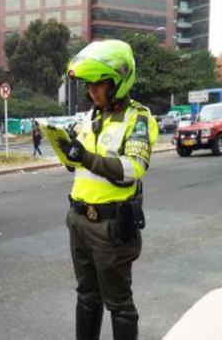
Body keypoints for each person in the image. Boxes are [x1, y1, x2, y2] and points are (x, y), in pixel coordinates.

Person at [60, 40, 158, 340]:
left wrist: (85, 157)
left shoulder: (137, 117)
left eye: (97, 85)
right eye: (88, 86)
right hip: (78, 220)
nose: (91, 91)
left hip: (110, 227)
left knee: (119, 304)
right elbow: (78, 165)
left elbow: (133, 168)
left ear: (118, 80)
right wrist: (67, 151)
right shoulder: (91, 117)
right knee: (87, 296)